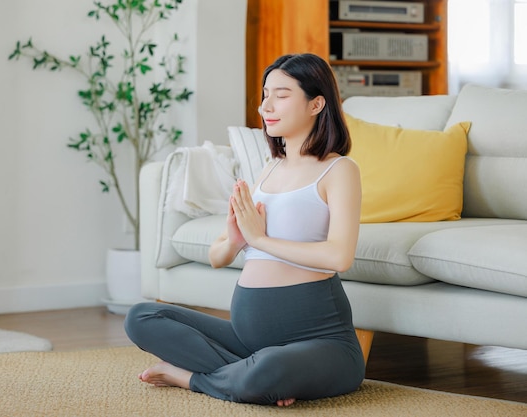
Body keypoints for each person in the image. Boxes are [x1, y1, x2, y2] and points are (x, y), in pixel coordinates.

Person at [124, 53, 365, 407]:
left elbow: (339, 256)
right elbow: (218, 256)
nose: (265, 105)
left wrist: (261, 239)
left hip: (323, 343)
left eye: (280, 95)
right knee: (141, 317)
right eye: (265, 94)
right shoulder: (270, 167)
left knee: (268, 368)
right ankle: (252, 376)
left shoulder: (340, 170)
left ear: (316, 104)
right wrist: (236, 241)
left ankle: (193, 378)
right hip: (248, 338)